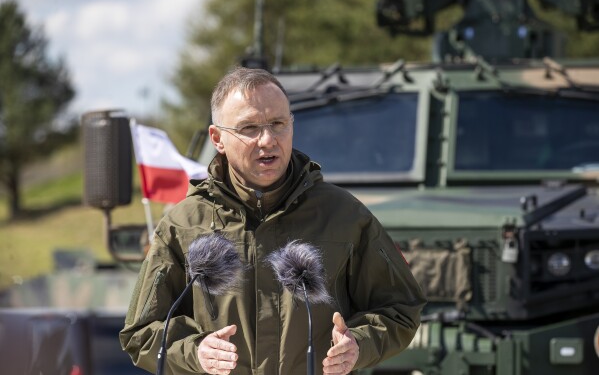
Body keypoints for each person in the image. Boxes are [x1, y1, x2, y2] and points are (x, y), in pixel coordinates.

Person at [120, 67, 426, 375]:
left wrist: (359, 345)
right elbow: (141, 333)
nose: (267, 140)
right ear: (218, 138)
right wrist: (194, 351)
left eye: (278, 124)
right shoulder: (183, 226)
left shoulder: (345, 215)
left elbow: (400, 309)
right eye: (249, 128)